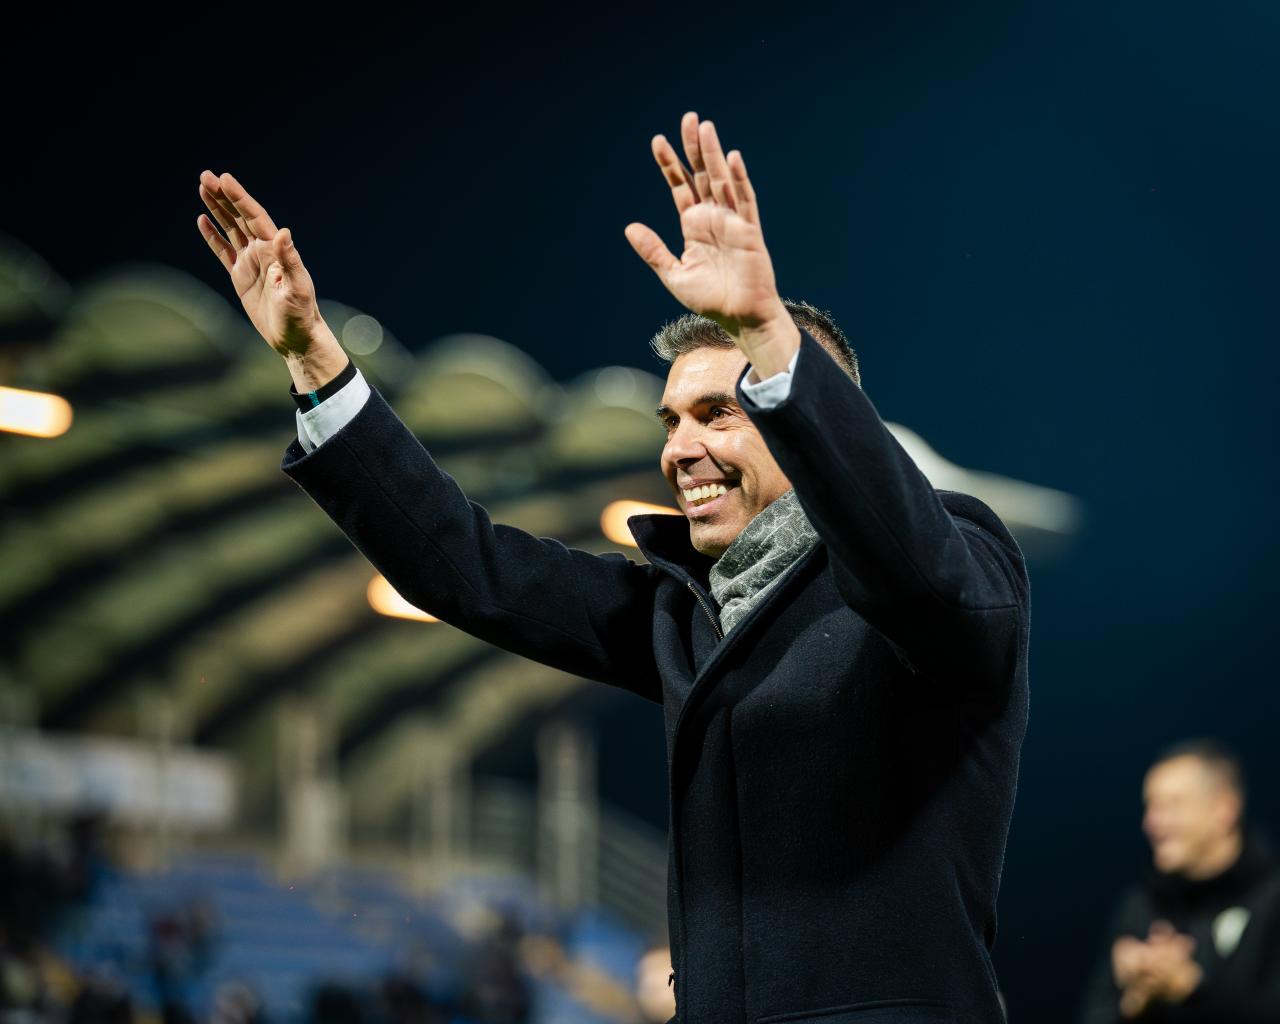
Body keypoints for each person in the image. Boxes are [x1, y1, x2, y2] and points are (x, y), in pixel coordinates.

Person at [196, 112, 1030, 1024]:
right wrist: (315, 359)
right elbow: (468, 568)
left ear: (803, 417)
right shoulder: (684, 613)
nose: (680, 449)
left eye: (719, 412)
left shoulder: (953, 559)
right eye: (671, 422)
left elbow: (912, 567)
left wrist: (769, 336)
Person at [1080, 740, 1280, 1022]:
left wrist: (1189, 988)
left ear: (1224, 809)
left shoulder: (1272, 898)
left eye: (1172, 805)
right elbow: (1094, 1014)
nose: (1151, 823)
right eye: (1150, 807)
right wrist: (1134, 999)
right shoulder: (1140, 907)